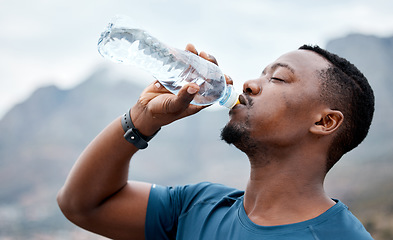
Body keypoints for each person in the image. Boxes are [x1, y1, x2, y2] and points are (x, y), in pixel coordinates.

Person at [57, 43, 375, 240]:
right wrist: (143, 119)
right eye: (261, 74)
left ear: (324, 121)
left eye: (277, 78)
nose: (249, 84)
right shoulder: (197, 207)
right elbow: (81, 205)